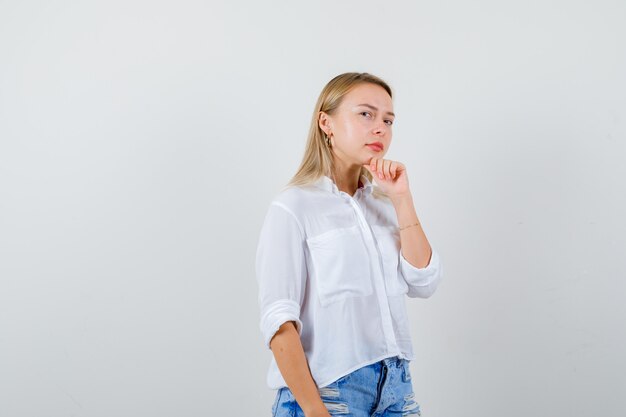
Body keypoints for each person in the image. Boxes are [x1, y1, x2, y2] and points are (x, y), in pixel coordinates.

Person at [255, 72, 443, 417]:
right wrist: (315, 411)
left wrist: (402, 199)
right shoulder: (294, 206)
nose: (380, 128)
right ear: (326, 122)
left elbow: (424, 282)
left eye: (388, 120)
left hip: (396, 392)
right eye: (366, 114)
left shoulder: (383, 204)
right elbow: (279, 323)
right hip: (328, 394)